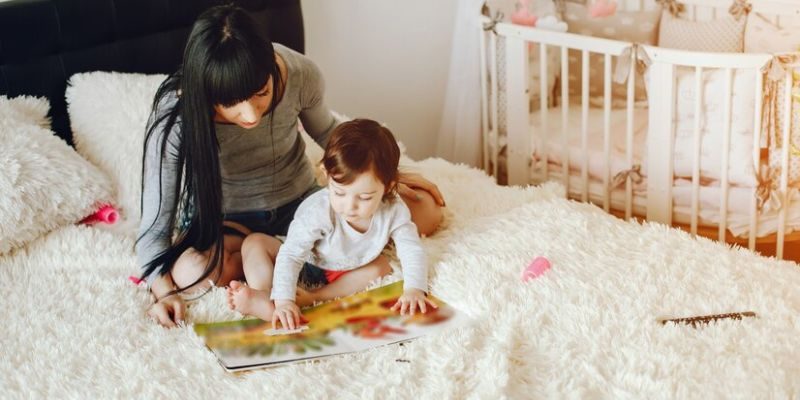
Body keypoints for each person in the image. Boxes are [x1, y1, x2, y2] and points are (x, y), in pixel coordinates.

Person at [137, 4, 444, 328]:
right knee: (189, 274)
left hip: (300, 202)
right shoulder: (176, 117)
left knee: (427, 210)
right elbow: (155, 227)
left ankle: (276, 256)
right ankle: (264, 257)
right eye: (230, 104)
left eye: (261, 93)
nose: (251, 115)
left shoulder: (298, 73)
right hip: (230, 222)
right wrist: (163, 293)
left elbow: (329, 134)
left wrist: (392, 176)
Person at [226, 119, 438, 329]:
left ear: (388, 186)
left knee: (381, 267)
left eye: (364, 197)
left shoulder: (394, 209)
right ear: (327, 175)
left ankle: (313, 297)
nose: (350, 206)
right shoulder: (318, 210)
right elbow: (291, 254)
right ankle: (266, 297)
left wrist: (414, 290)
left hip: (351, 267)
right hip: (309, 262)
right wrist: (284, 300)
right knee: (254, 243)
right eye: (339, 193)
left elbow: (411, 249)